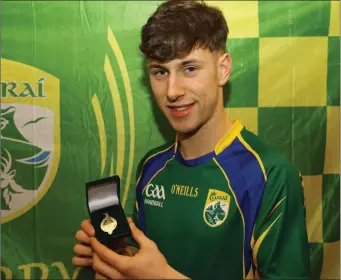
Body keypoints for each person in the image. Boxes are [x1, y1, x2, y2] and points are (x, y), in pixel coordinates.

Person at [72, 0, 311, 279]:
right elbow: (151, 262)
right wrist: (118, 257)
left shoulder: (270, 174)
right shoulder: (151, 167)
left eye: (189, 69)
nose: (172, 91)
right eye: (160, 72)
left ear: (223, 69)